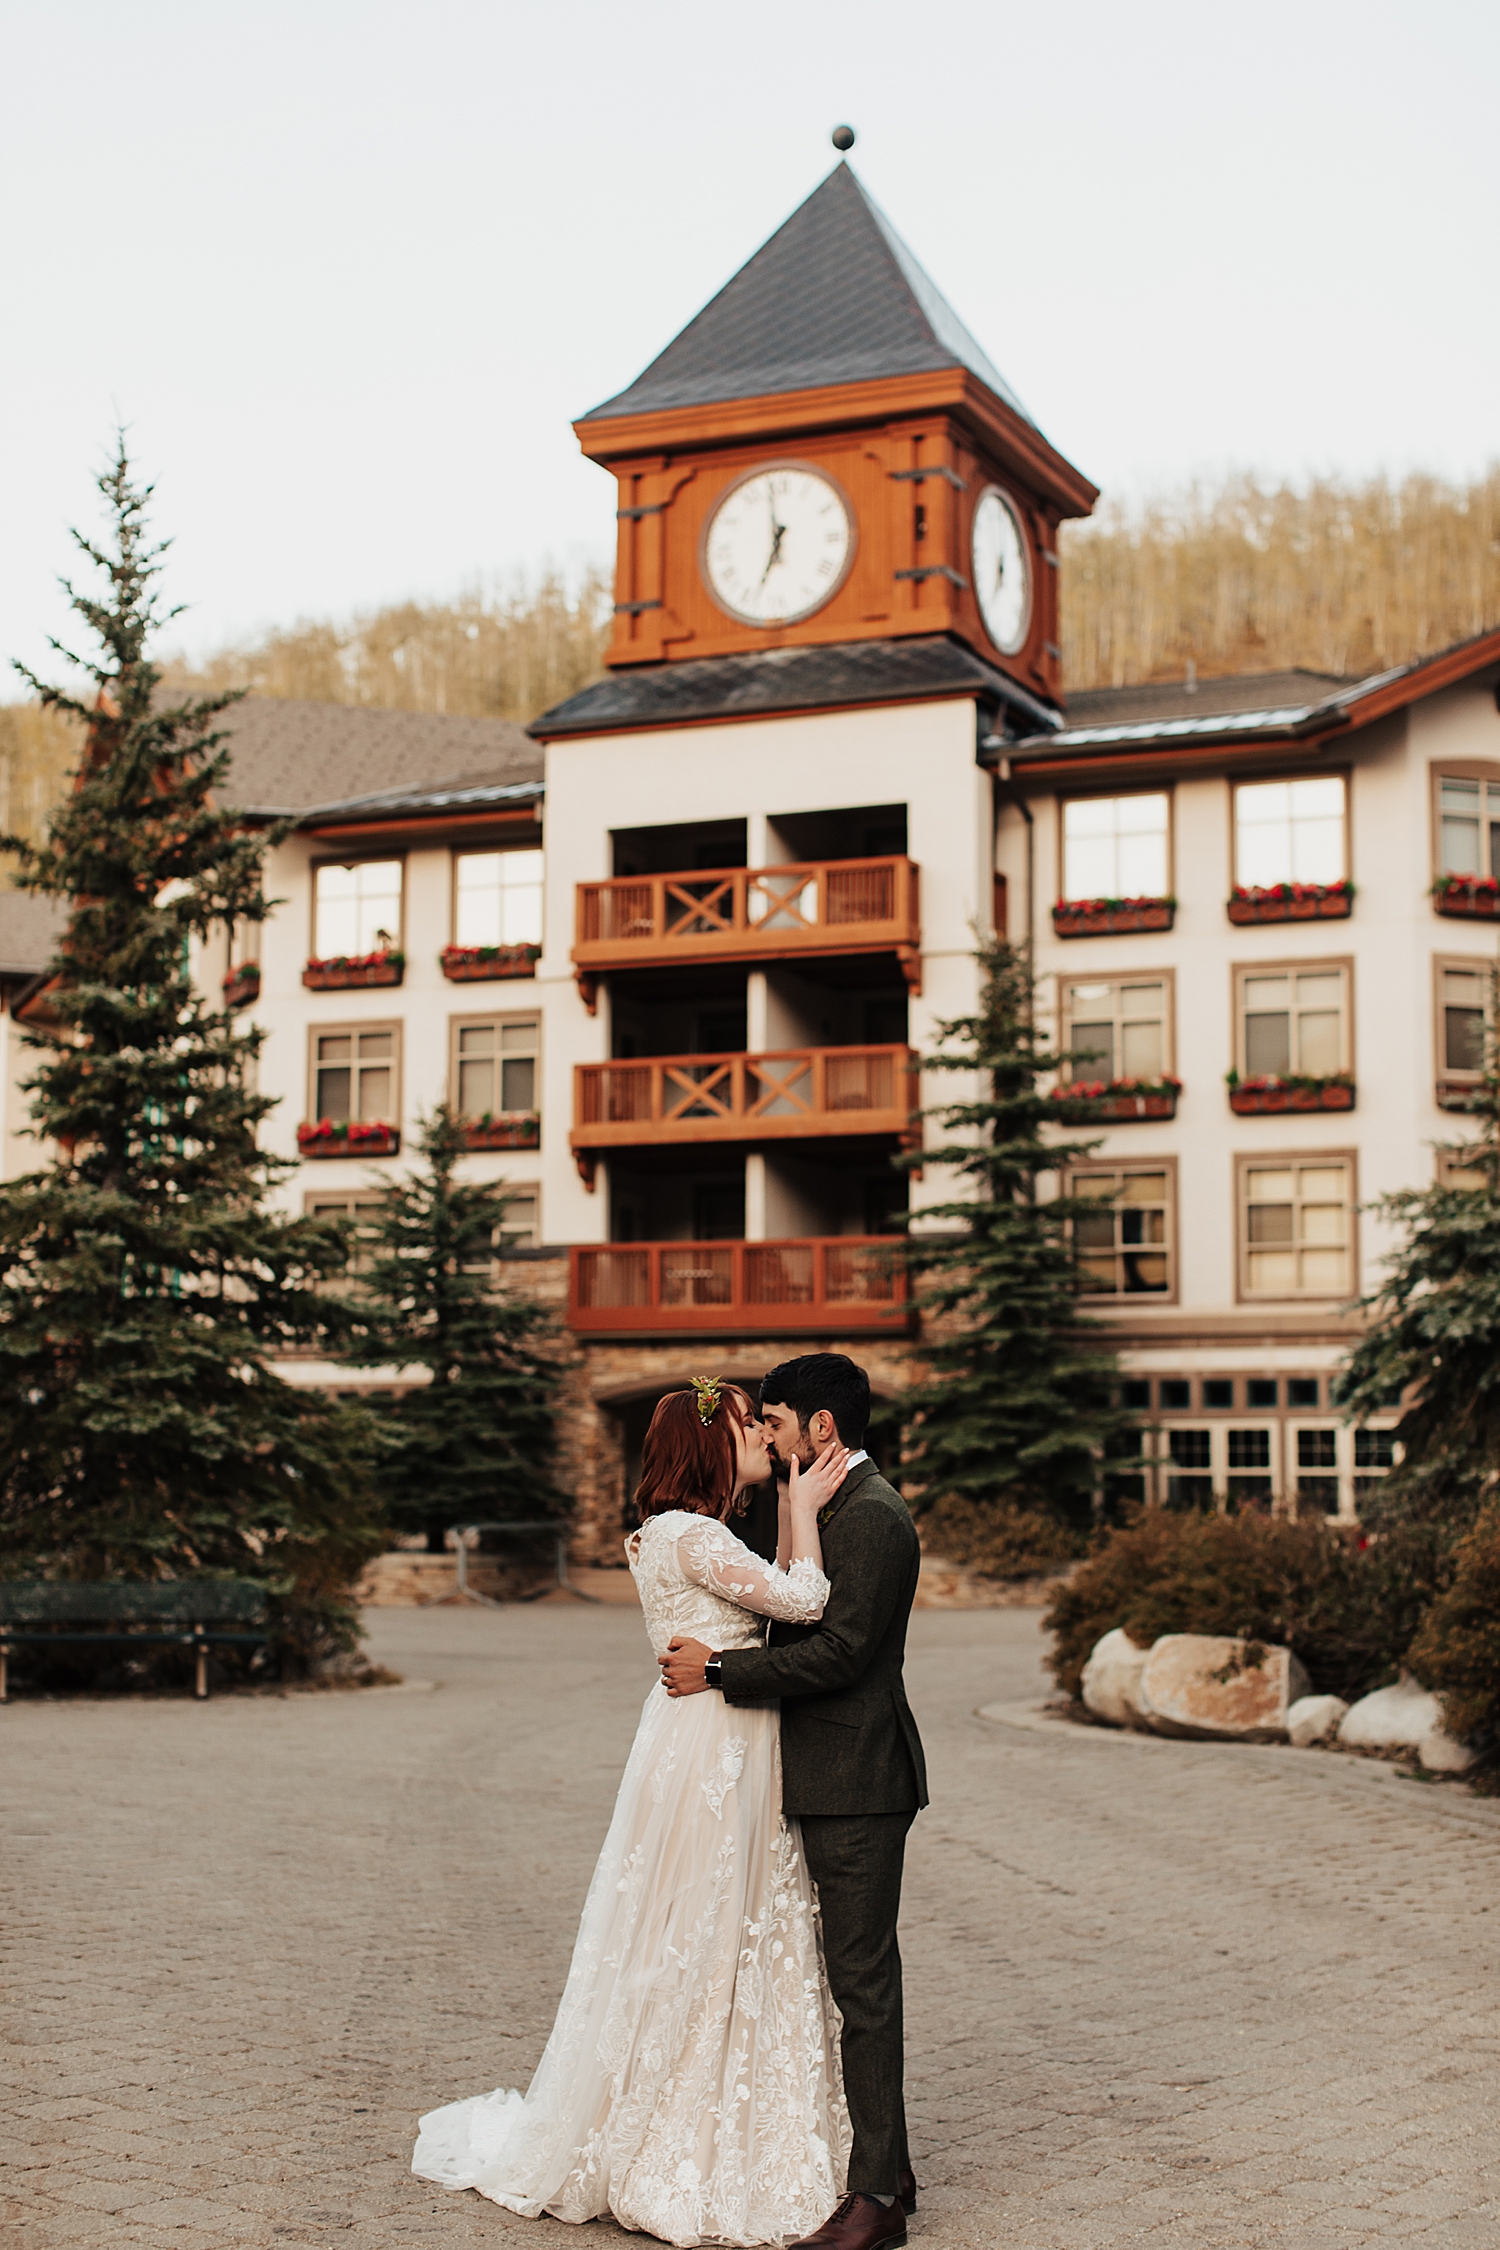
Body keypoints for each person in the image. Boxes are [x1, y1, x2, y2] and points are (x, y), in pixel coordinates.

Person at [412, 1377, 855, 2247]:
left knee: (691, 1924)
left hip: (688, 1733)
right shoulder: (697, 1537)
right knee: (716, 1924)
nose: (760, 1437)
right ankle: (683, 2135)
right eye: (742, 1427)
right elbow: (806, 1602)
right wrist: (803, 1507)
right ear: (706, 1447)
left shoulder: (665, 1533)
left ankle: (672, 2108)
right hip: (720, 1743)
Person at [660, 1354, 927, 2250]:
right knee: (835, 1976)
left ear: (821, 1427)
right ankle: (885, 2166)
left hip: (856, 1779)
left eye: (774, 1421)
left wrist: (721, 1670)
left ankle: (877, 2206)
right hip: (812, 1772)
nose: (766, 1437)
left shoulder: (876, 1517)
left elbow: (842, 1654)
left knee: (862, 1982)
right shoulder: (829, 1504)